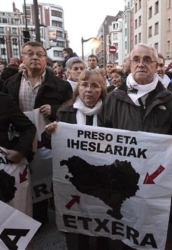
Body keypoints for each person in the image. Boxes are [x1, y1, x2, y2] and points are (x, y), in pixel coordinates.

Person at [99, 43, 172, 249]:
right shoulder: (113, 98)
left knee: (151, 222)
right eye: (136, 59)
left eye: (147, 60)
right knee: (125, 218)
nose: (141, 64)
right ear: (129, 64)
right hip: (123, 174)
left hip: (155, 176)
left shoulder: (169, 97)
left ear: (156, 65)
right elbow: (103, 134)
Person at [3, 41, 72, 224]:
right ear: (22, 58)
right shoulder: (10, 84)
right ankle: (25, 217)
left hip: (47, 141)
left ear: (45, 59)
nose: (35, 57)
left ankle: (41, 217)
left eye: (39, 54)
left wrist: (56, 109)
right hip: (19, 140)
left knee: (43, 176)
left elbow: (70, 112)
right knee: (24, 178)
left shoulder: (61, 86)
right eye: (30, 53)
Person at [45, 70, 108, 250]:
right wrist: (50, 134)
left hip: (102, 177)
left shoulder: (110, 112)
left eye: (94, 86)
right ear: (78, 88)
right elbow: (53, 146)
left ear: (102, 89)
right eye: (84, 85)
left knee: (103, 217)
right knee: (77, 224)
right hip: (74, 179)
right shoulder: (65, 111)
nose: (88, 90)